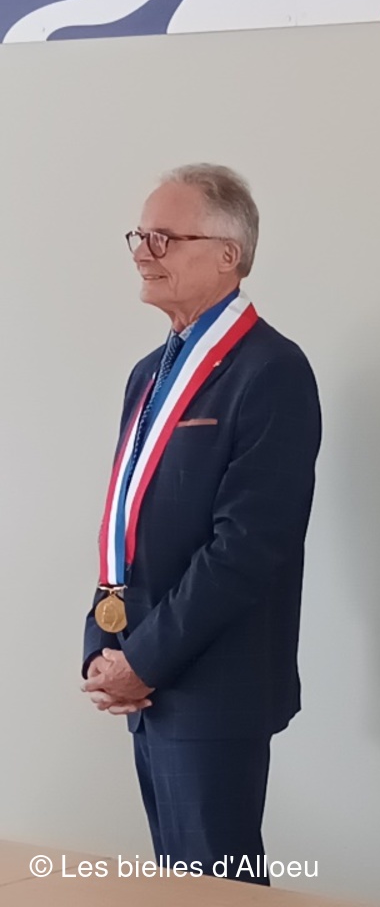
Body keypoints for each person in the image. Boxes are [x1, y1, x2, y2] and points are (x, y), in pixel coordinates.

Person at [80, 164, 322, 885]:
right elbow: (129, 519)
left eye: (164, 237)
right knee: (178, 889)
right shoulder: (149, 373)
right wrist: (104, 646)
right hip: (146, 679)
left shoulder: (271, 371)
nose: (143, 253)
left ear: (228, 255)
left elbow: (247, 547)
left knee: (217, 889)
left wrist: (143, 661)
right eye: (139, 236)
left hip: (213, 684)